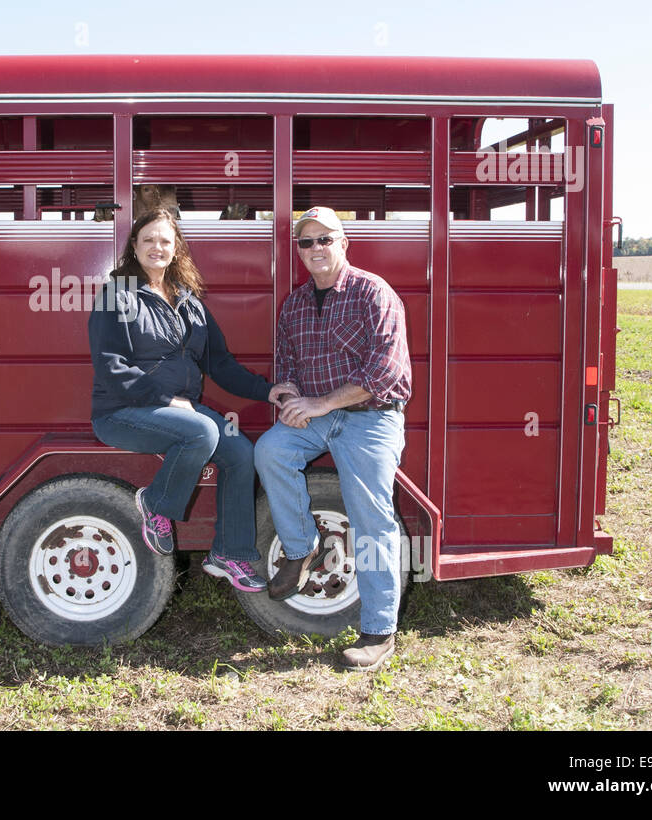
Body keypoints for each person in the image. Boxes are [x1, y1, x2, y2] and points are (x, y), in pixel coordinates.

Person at [88, 207, 292, 592]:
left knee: (242, 453)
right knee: (201, 432)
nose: (157, 247)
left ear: (175, 248)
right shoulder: (116, 295)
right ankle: (157, 505)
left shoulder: (188, 301)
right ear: (134, 245)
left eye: (165, 240)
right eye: (148, 239)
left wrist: (267, 390)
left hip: (178, 411)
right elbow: (109, 365)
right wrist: (163, 396)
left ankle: (230, 553)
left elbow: (221, 364)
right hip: (124, 411)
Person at [255, 207, 412, 671]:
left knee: (371, 516)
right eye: (307, 242)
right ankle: (303, 548)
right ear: (299, 251)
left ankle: (379, 631)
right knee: (271, 450)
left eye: (326, 239)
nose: (316, 249)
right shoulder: (295, 303)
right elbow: (287, 364)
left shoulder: (373, 292)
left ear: (344, 243)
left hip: (371, 417)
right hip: (321, 414)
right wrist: (286, 392)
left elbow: (385, 372)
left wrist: (321, 404)